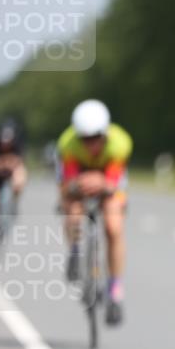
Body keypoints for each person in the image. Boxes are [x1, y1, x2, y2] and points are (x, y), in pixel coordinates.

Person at [57, 100, 133, 326]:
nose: (90, 144)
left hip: (108, 179)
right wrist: (76, 186)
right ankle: (75, 250)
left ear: (105, 134)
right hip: (78, 177)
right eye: (85, 139)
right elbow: (65, 186)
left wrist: (102, 183)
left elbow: (116, 184)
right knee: (72, 211)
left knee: (113, 226)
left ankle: (115, 290)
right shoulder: (68, 144)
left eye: (95, 138)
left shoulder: (119, 144)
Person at [0, 118, 27, 219]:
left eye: (8, 142)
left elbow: (18, 162)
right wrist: (4, 162)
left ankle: (14, 202)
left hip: (12, 169)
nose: (5, 145)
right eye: (3, 142)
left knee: (19, 179)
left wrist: (5, 163)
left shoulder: (18, 143)